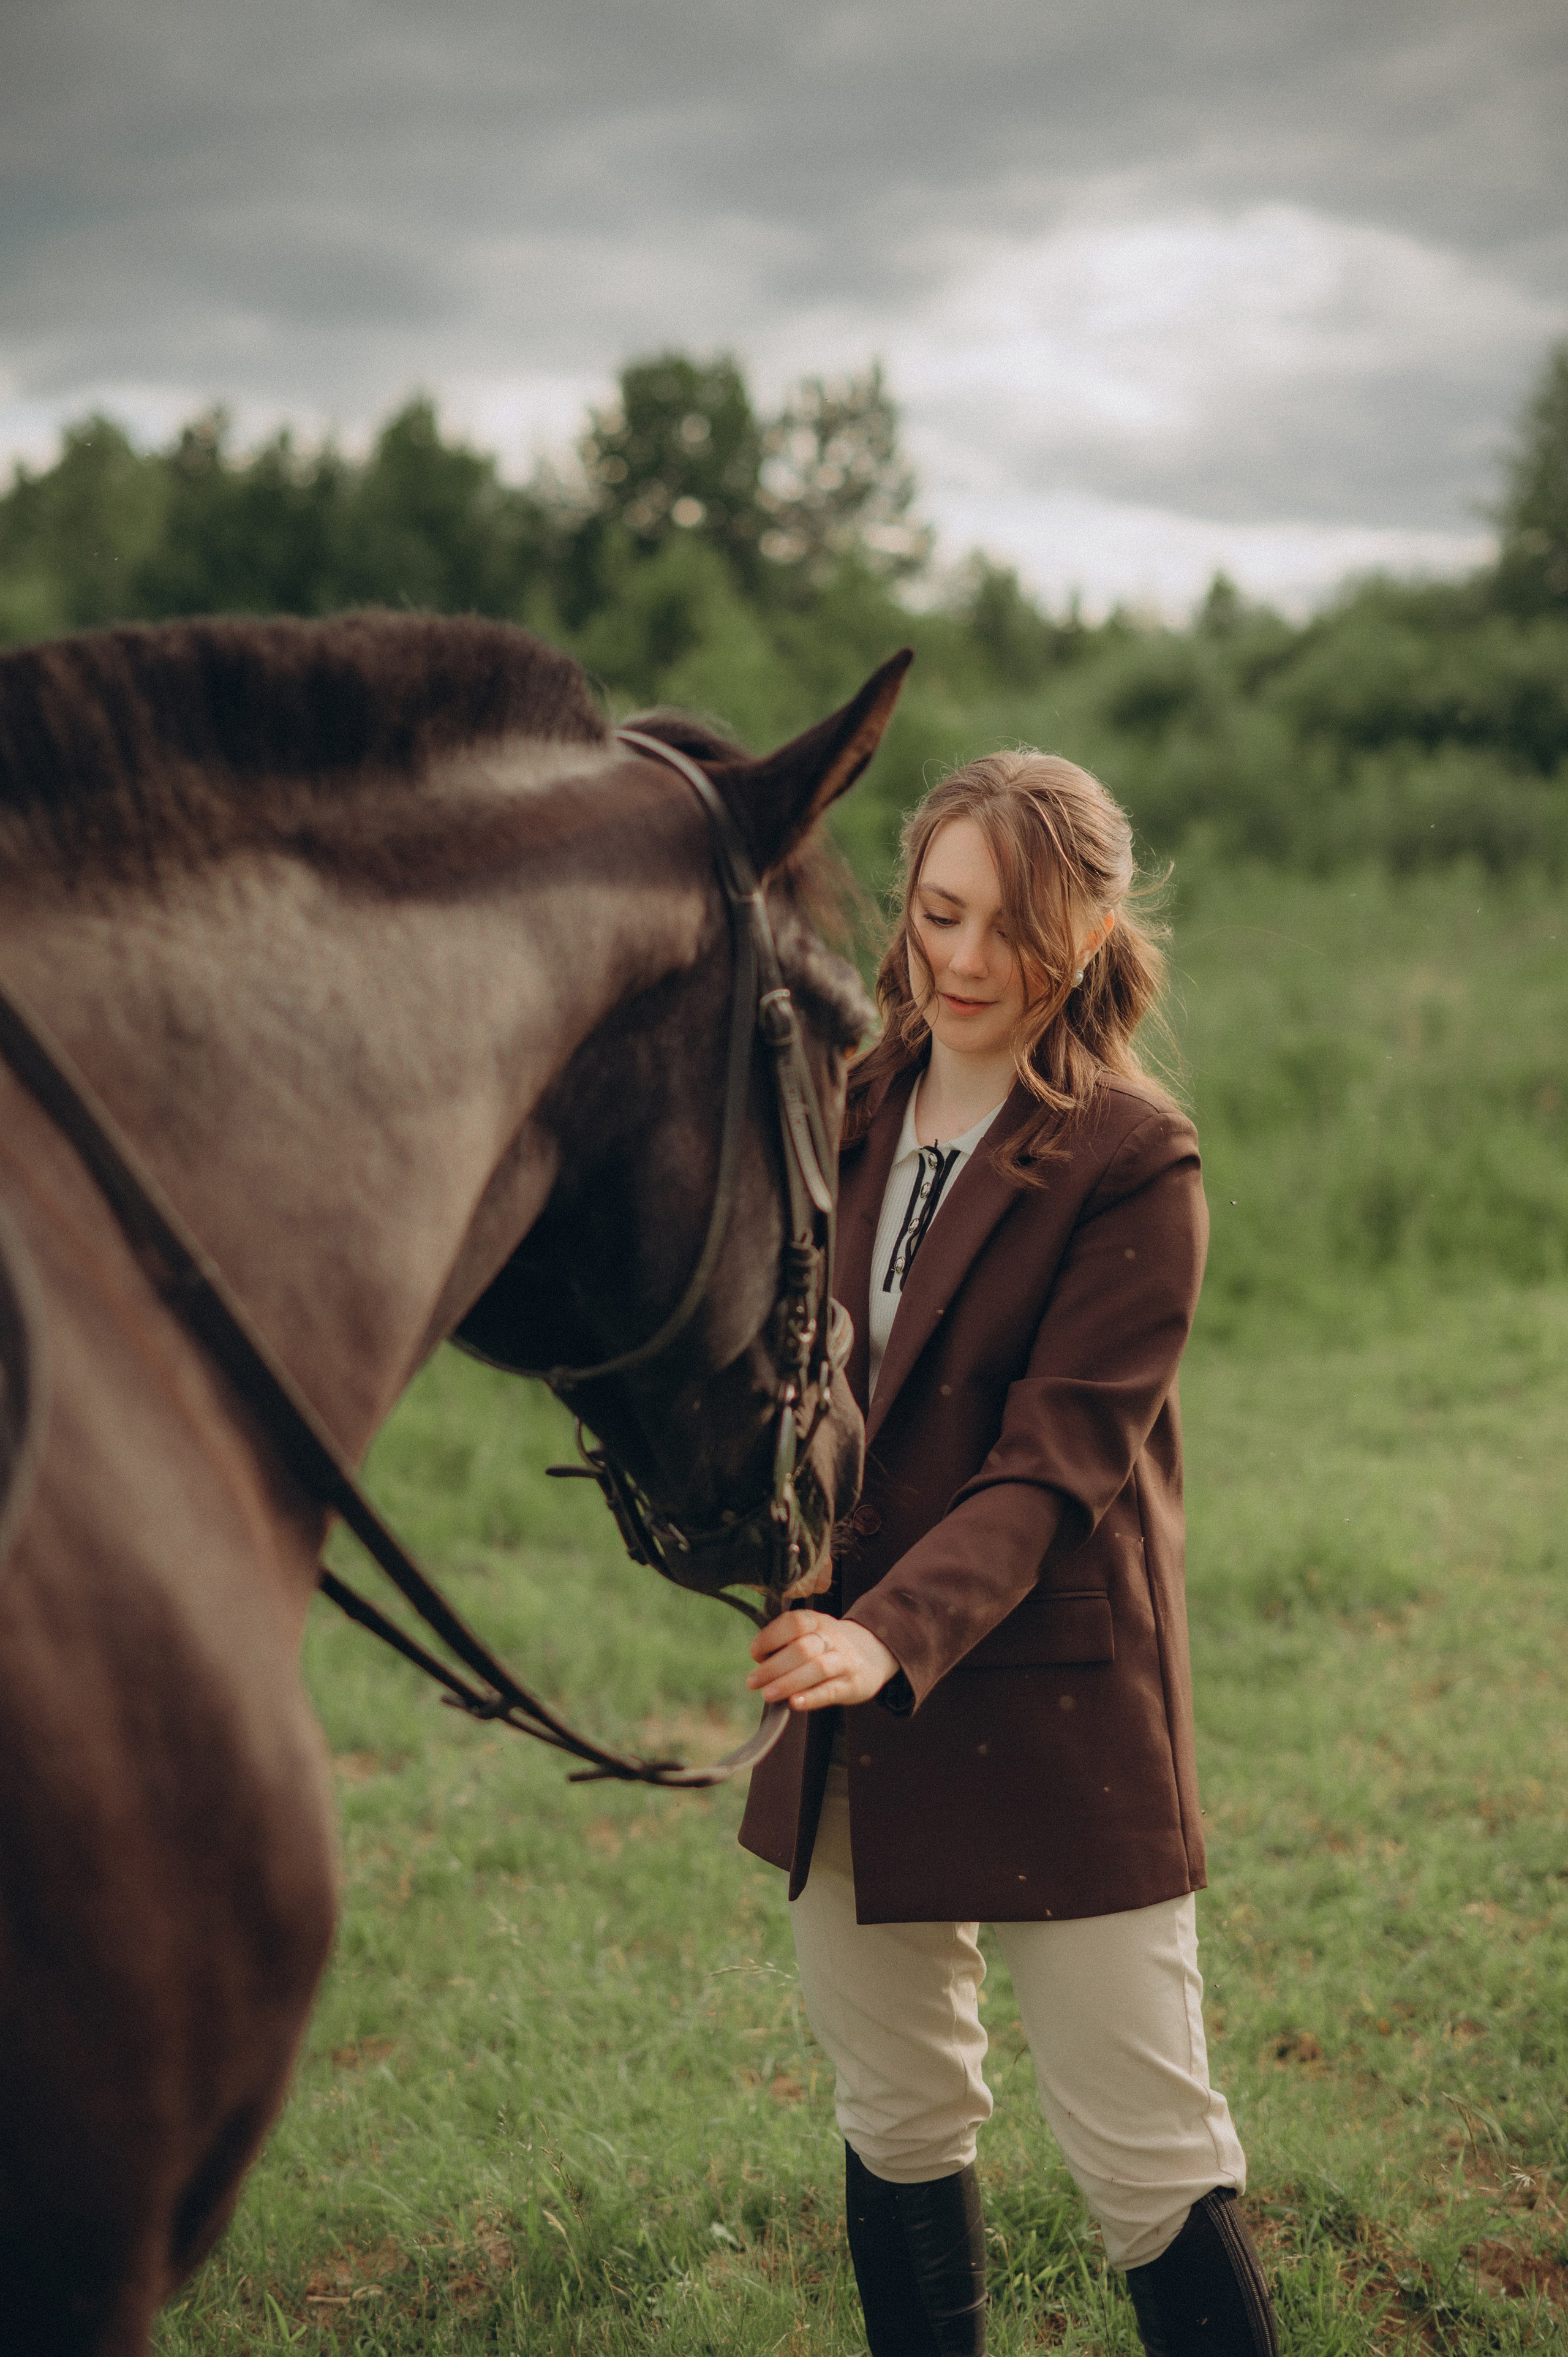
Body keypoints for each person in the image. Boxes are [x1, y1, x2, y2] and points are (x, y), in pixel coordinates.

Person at [741, 750, 1279, 2357]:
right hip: (850, 1700)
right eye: (937, 915)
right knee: (899, 2117)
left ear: (1096, 929)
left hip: (1054, 1693)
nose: (964, 964)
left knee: (1148, 2163)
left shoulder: (1136, 1157)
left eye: (1014, 928)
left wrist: (884, 1635)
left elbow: (1057, 1469)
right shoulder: (835, 1105)